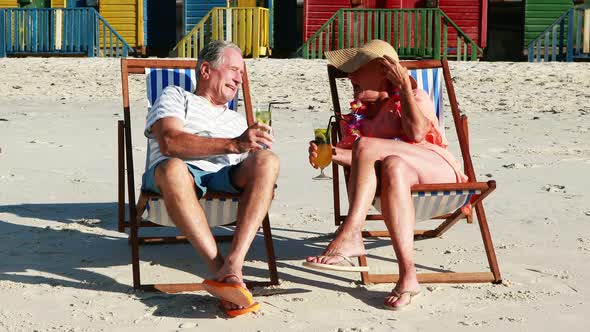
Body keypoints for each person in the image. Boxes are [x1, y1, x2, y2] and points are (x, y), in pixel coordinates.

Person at [304, 39, 468, 310]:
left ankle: (351, 232)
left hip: (438, 173)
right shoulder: (358, 119)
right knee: (392, 164)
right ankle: (408, 276)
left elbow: (416, 134)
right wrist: (330, 154)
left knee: (368, 147)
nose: (350, 76)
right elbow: (360, 157)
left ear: (383, 71)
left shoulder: (414, 98)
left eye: (357, 69)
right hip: (399, 184)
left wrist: (404, 87)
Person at [142, 40, 279, 313]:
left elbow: (256, 179)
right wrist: (234, 144)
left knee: (268, 160)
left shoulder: (238, 122)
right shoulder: (175, 96)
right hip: (177, 176)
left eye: (242, 73)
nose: (240, 79)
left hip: (224, 177)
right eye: (233, 70)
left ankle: (234, 266)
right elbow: (169, 142)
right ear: (206, 70)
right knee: (172, 168)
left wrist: (256, 159)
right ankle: (219, 271)